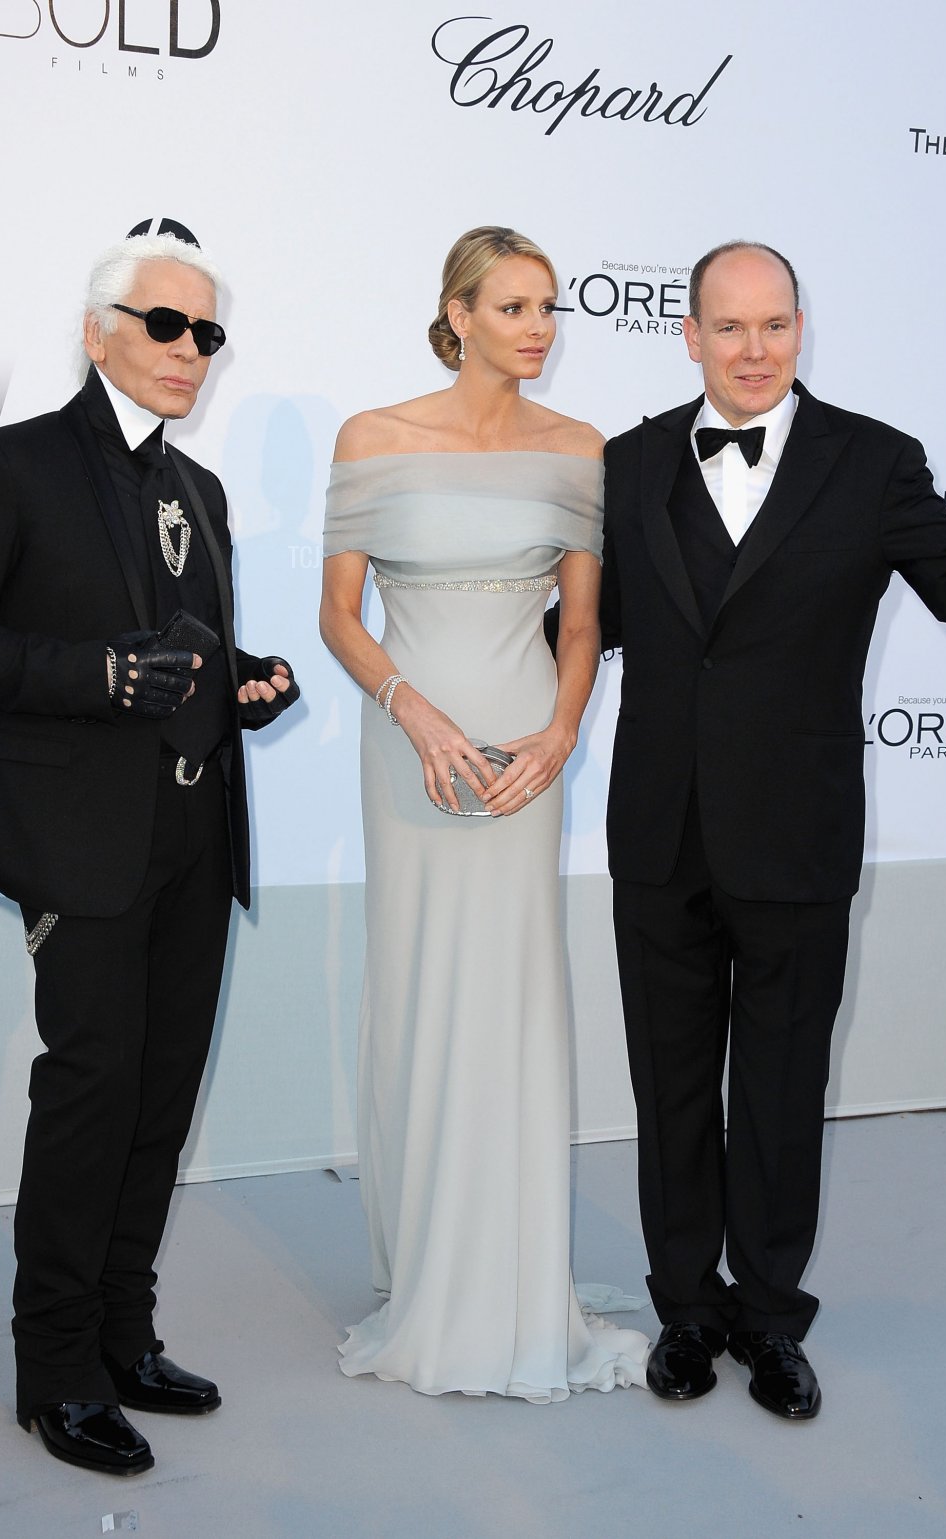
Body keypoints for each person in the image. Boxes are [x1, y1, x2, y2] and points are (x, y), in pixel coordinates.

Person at [599, 240, 946, 1419]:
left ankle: (771, 1318)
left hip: (796, 837)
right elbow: (582, 622)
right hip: (660, 830)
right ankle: (686, 1309)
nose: (754, 349)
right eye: (729, 327)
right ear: (690, 335)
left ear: (800, 329)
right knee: (670, 1089)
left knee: (779, 1092)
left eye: (775, 325)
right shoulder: (627, 460)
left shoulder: (873, 462)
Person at [0, 220, 298, 1475]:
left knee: (160, 1095)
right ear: (98, 332)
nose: (190, 349)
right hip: (77, 840)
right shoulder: (8, 463)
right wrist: (100, 677)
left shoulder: (204, 492)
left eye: (208, 332)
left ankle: (126, 1337)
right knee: (91, 1097)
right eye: (166, 324)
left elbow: (183, 644)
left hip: (195, 838)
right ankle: (57, 1370)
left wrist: (246, 679)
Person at [319, 225, 649, 1400]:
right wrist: (410, 709)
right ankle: (423, 1259)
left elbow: (583, 625)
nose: (539, 328)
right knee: (420, 981)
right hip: (409, 743)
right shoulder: (374, 438)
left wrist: (559, 736)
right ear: (457, 314)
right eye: (515, 307)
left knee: (510, 991)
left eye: (549, 307)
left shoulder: (578, 449)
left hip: (520, 751)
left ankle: (507, 1275)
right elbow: (341, 618)